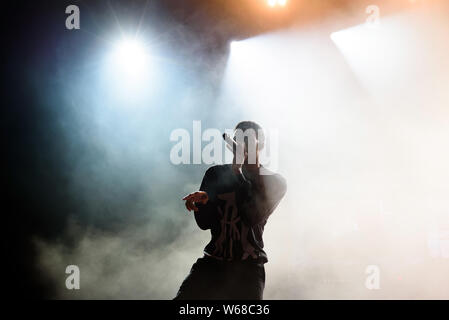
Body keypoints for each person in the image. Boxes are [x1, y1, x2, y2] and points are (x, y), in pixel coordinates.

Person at [174, 121, 287, 300]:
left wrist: (237, 172)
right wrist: (206, 203)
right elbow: (204, 223)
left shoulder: (274, 182)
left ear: (262, 143)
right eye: (238, 140)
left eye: (249, 139)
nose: (242, 145)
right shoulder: (216, 174)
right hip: (212, 264)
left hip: (248, 270)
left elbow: (251, 216)